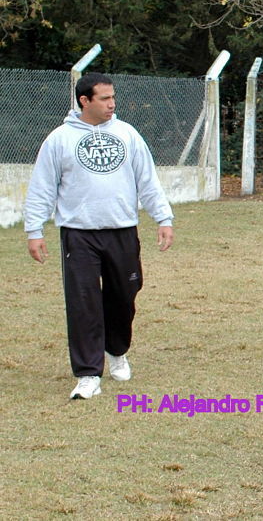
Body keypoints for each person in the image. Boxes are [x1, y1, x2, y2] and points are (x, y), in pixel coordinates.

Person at [24, 72, 174, 400]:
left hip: (121, 231)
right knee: (83, 303)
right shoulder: (60, 139)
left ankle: (116, 351)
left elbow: (147, 180)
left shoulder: (127, 134)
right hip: (78, 235)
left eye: (113, 97)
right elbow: (42, 187)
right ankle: (88, 374)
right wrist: (34, 229)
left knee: (124, 296)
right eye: (104, 98)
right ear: (84, 101)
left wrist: (163, 217)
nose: (112, 104)